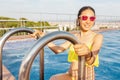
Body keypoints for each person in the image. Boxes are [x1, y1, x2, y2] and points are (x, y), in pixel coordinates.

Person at [31, 6, 103, 80]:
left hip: (85, 77)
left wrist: (88, 54)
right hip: (71, 75)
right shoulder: (73, 37)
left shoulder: (97, 37)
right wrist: (44, 37)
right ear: (78, 19)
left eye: (92, 18)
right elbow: (58, 50)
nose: (88, 21)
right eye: (84, 18)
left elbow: (92, 59)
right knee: (53, 78)